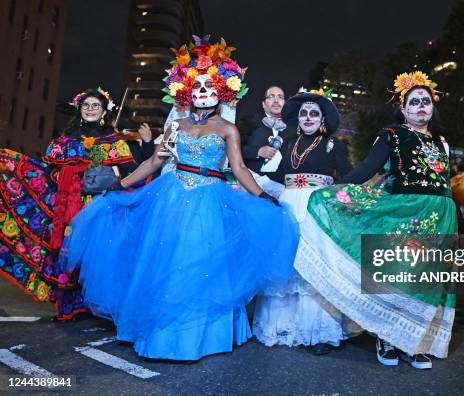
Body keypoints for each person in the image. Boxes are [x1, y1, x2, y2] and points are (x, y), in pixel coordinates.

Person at [57, 36, 300, 361]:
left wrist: (261, 197)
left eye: (209, 88)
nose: (202, 94)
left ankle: (202, 339)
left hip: (211, 200)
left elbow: (240, 168)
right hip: (173, 198)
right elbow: (153, 161)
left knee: (205, 264)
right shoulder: (177, 126)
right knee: (167, 260)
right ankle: (162, 336)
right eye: (197, 88)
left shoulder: (229, 129)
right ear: (186, 92)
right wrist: (120, 185)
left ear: (221, 93)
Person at [290, 72, 457, 369]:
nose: (420, 106)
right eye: (413, 101)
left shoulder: (442, 142)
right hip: (402, 212)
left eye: (426, 101)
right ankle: (387, 337)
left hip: (439, 216)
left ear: (433, 108)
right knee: (396, 275)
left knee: (424, 280)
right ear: (403, 109)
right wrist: (332, 192)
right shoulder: (392, 135)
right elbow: (367, 168)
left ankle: (416, 343)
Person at [0, 87, 154, 321]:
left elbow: (132, 172)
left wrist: (149, 147)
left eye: (96, 106)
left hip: (97, 207)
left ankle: (93, 304)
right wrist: (13, 165)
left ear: (104, 111)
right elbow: (48, 171)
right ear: (79, 109)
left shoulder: (111, 141)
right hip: (65, 204)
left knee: (93, 254)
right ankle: (69, 306)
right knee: (67, 253)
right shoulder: (63, 141)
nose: (90, 109)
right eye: (86, 105)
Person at [253, 90, 360, 355]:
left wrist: (335, 199)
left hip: (317, 210)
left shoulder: (333, 144)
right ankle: (284, 328)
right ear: (298, 119)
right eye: (304, 113)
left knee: (315, 268)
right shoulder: (289, 144)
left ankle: (319, 333)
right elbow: (278, 177)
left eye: (314, 113)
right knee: (287, 267)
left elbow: (346, 177)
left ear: (322, 118)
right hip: (289, 208)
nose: (309, 117)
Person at [242, 86, 294, 197]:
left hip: (281, 191)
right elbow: (233, 150)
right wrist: (257, 151)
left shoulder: (293, 130)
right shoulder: (249, 121)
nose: (276, 101)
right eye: (271, 97)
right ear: (263, 104)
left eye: (280, 97)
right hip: (251, 188)